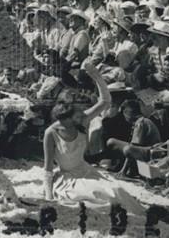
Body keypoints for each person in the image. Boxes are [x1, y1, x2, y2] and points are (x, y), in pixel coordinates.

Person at [43, 61, 144, 211]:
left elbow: (106, 100)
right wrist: (48, 196)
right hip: (69, 179)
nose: (82, 115)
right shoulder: (51, 133)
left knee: (117, 191)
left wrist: (97, 76)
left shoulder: (81, 120)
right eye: (77, 114)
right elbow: (48, 168)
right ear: (66, 115)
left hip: (86, 170)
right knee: (102, 197)